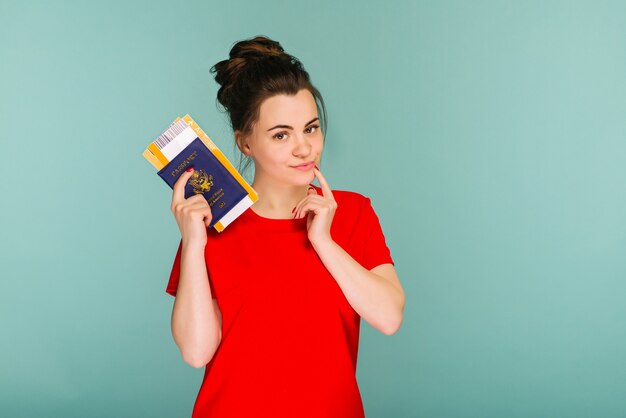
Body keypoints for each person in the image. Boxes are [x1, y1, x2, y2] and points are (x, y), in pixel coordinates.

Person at [165, 35, 405, 418]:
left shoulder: (353, 212)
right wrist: (193, 243)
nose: (304, 148)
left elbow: (389, 317)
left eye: (310, 128)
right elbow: (196, 352)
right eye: (281, 135)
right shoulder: (212, 225)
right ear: (245, 143)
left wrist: (323, 241)